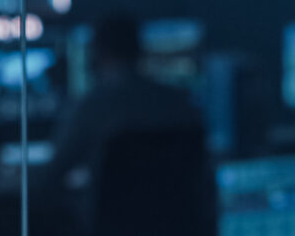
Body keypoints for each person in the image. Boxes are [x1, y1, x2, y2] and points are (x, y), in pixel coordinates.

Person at [43, 12, 205, 215]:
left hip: (110, 234)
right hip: (178, 231)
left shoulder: (93, 107)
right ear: (140, 50)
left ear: (97, 53)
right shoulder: (181, 104)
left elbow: (51, 177)